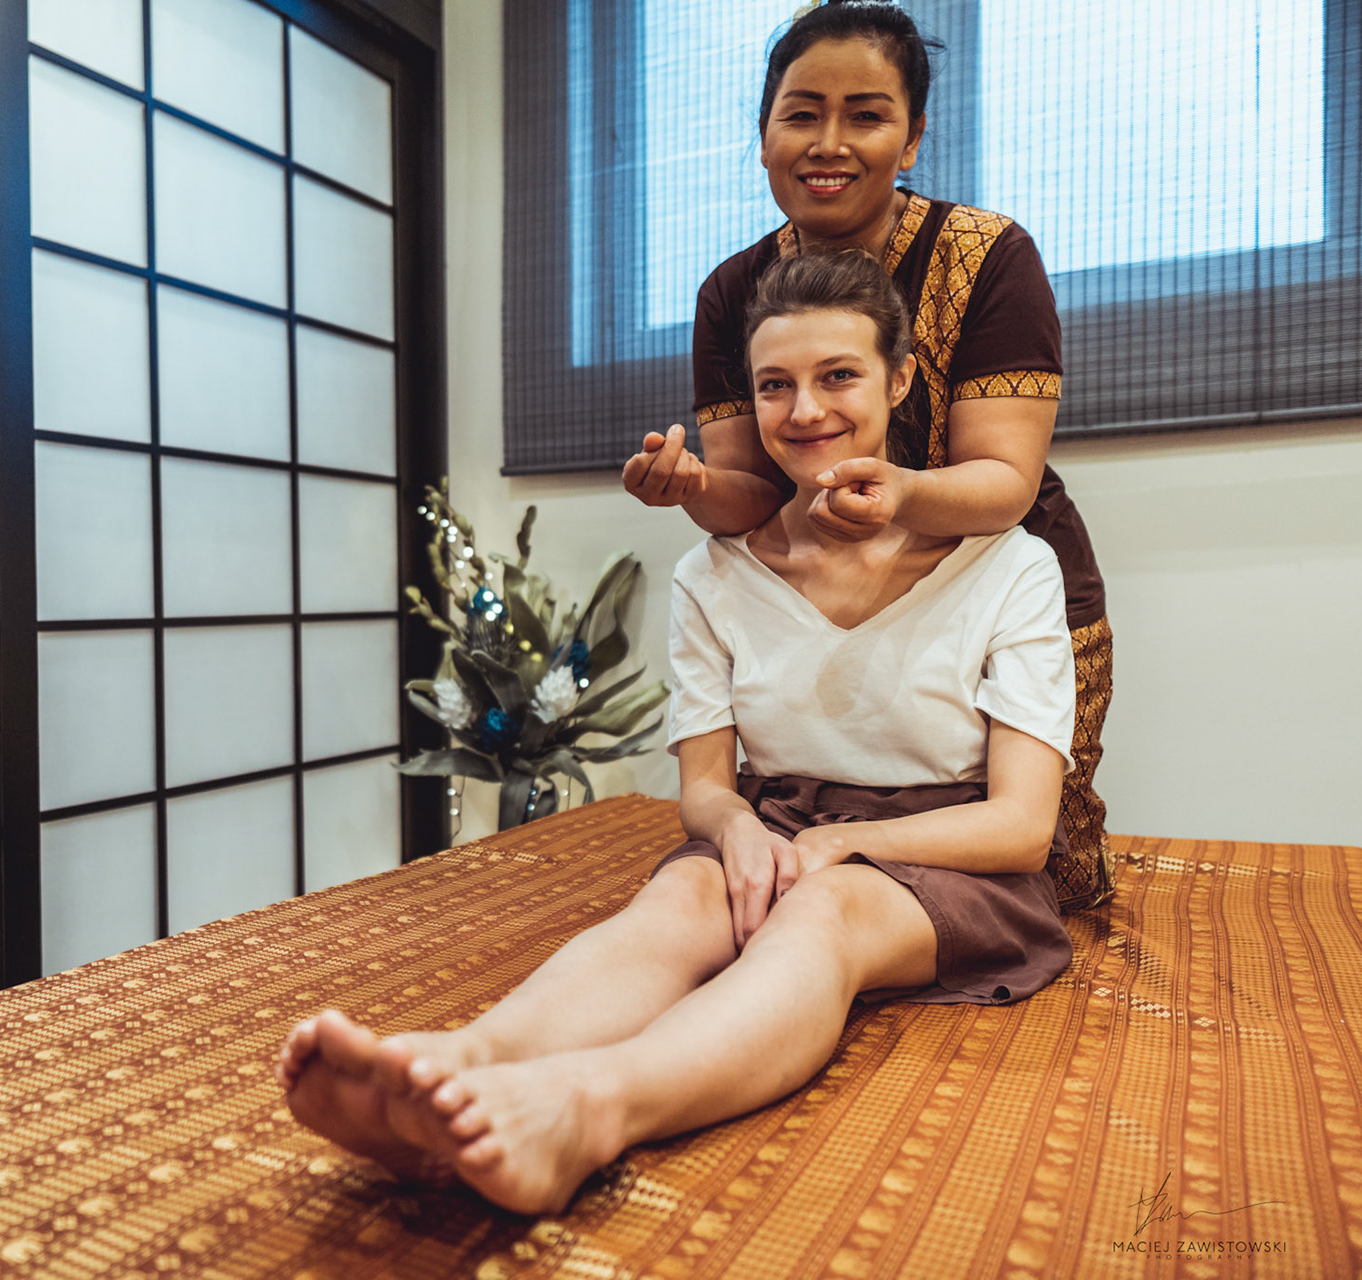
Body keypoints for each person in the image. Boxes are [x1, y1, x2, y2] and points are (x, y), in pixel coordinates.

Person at [276, 251, 1077, 1215]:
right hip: (780, 822)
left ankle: (589, 1109)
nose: (805, 411)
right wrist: (738, 830)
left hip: (949, 853)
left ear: (899, 380)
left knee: (826, 913)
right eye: (774, 385)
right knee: (676, 904)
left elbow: (1022, 827)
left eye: (839, 376)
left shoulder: (1010, 566)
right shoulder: (713, 573)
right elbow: (705, 787)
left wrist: (844, 847)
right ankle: (455, 1065)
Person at [622, 0, 1114, 911]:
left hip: (978, 588)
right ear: (763, 135)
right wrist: (690, 487)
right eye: (802, 114)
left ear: (913, 136)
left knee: (1041, 871)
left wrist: (897, 494)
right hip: (821, 589)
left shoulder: (989, 257)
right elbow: (749, 494)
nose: (829, 143)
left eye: (866, 115)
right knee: (792, 866)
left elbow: (1004, 482)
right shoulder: (733, 290)